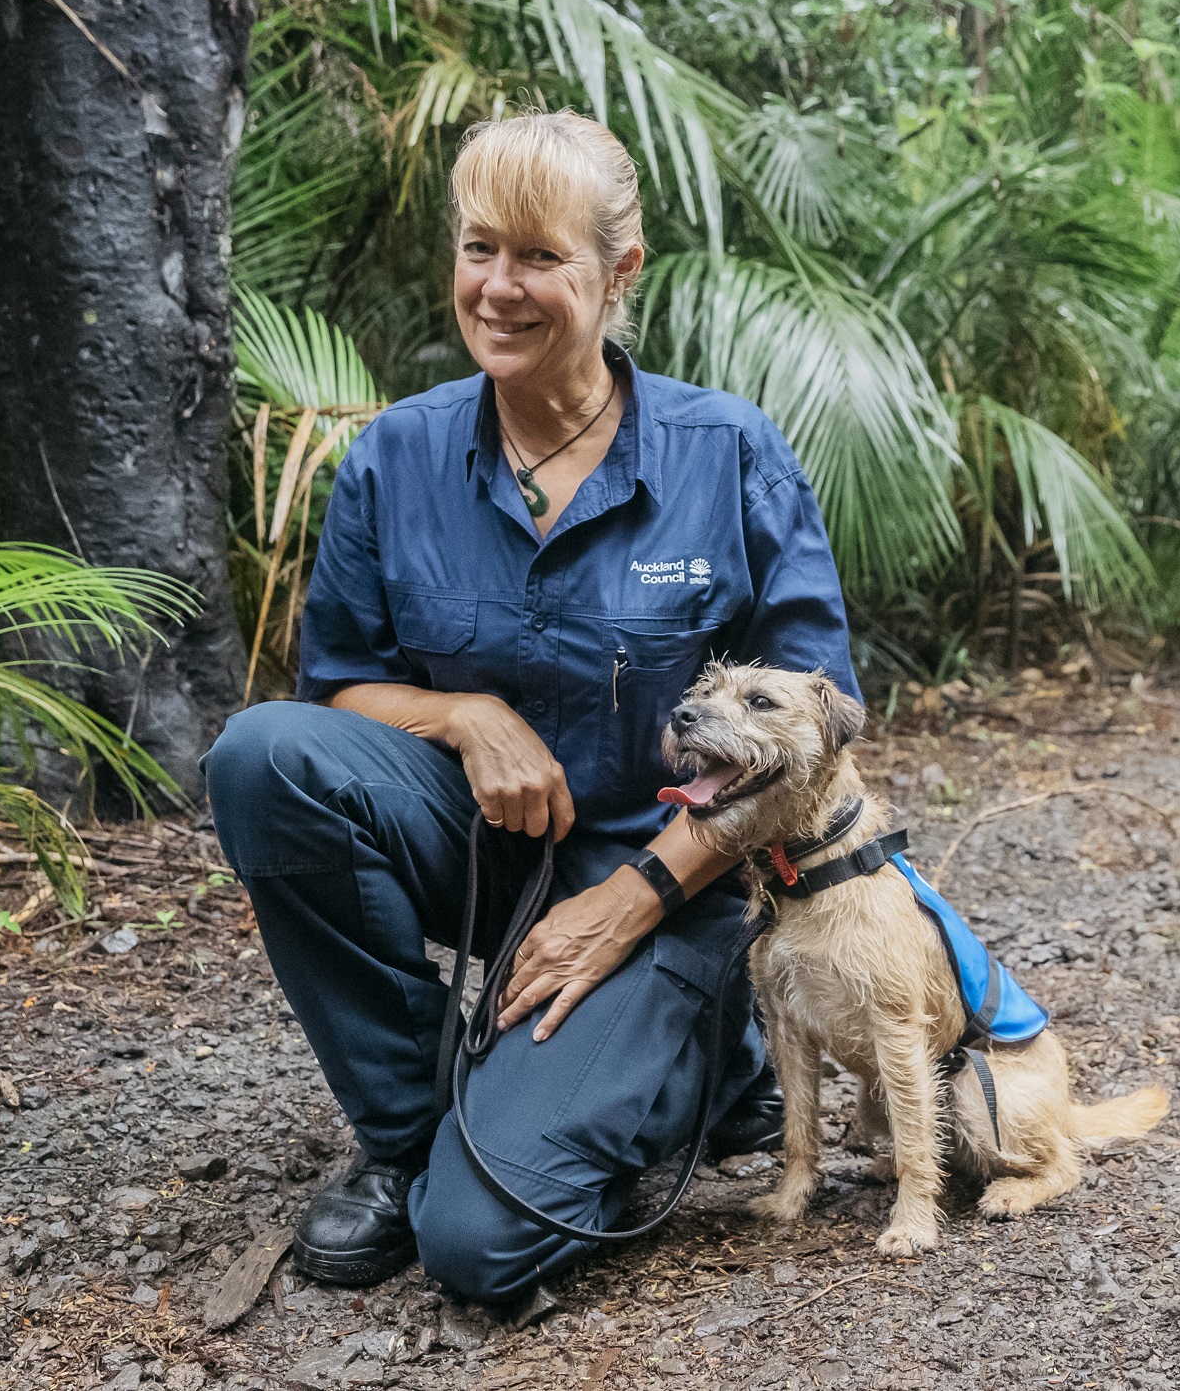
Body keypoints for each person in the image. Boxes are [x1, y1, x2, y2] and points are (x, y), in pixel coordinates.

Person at [204, 110, 860, 1305]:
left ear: (618, 272)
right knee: (263, 757)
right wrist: (462, 717)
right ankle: (407, 1134)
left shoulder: (724, 453)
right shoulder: (395, 457)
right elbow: (338, 691)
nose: (497, 288)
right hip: (482, 846)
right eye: (478, 249)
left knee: (479, 1244)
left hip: (673, 878)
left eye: (538, 257)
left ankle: (703, 1061)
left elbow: (810, 736)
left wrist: (631, 899)